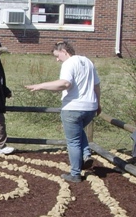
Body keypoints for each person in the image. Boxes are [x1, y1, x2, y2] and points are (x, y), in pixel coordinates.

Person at [25, 40, 101, 183]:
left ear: (64, 51)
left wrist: (41, 86)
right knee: (78, 132)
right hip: (90, 107)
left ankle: (75, 173)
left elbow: (65, 83)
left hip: (73, 108)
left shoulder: (69, 63)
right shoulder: (88, 62)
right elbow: (96, 85)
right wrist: (98, 103)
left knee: (73, 141)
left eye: (57, 55)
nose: (57, 59)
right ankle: (86, 154)